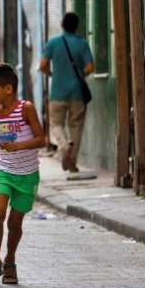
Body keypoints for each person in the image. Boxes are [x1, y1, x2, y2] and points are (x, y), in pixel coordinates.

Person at [0, 63, 45, 285]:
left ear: (9, 89)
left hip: (27, 174)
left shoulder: (26, 108)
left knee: (14, 223)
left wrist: (20, 146)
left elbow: (41, 139)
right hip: (2, 169)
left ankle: (10, 260)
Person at [39, 12, 94, 173]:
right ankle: (72, 163)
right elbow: (91, 67)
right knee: (76, 127)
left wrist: (51, 74)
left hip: (57, 92)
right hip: (77, 93)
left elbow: (42, 65)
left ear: (62, 25)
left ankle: (63, 145)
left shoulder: (53, 43)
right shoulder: (82, 44)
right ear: (76, 27)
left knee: (55, 123)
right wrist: (79, 74)